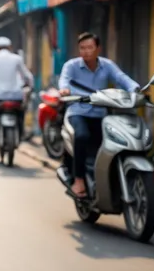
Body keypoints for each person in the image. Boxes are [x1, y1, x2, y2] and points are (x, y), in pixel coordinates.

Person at [59, 32, 139, 197]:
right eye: (82, 48)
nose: (86, 51)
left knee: (116, 141)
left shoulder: (107, 65)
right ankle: (79, 180)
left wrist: (135, 89)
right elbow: (64, 80)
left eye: (90, 47)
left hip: (101, 115)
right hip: (78, 113)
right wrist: (64, 89)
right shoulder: (71, 66)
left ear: (98, 48)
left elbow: (121, 78)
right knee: (81, 136)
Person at [0, 36, 33, 140]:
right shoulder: (17, 58)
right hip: (15, 95)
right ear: (10, 47)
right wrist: (29, 87)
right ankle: (22, 132)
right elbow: (28, 76)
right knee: (20, 113)